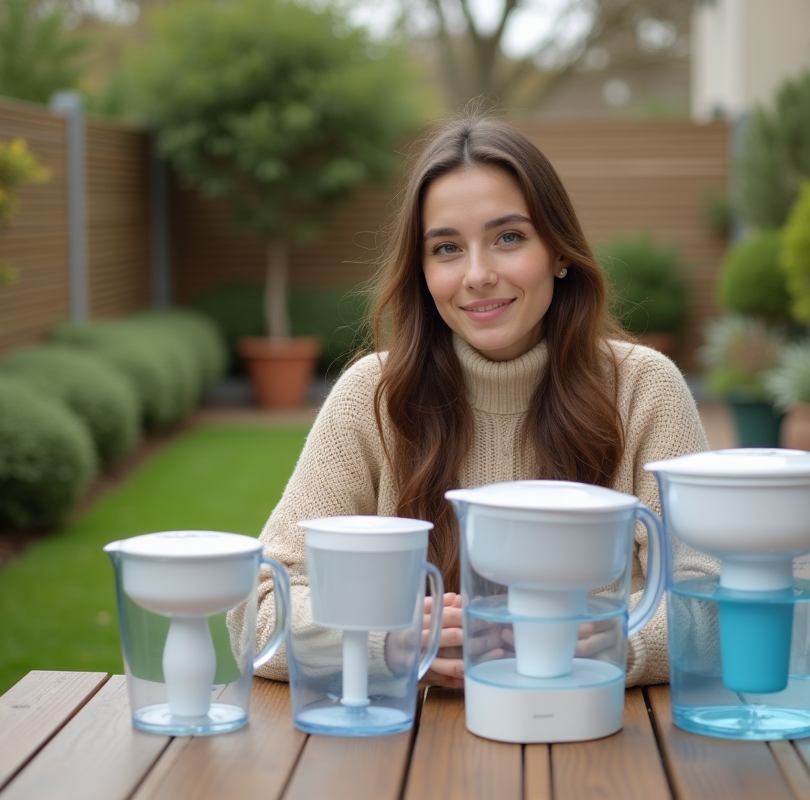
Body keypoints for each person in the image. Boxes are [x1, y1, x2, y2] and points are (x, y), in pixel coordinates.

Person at [233, 116, 717, 688]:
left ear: (559, 252)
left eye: (508, 238)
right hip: (406, 757)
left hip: (607, 748)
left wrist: (612, 642)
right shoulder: (373, 397)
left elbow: (716, 602)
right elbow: (256, 607)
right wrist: (388, 642)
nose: (478, 275)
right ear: (422, 270)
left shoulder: (644, 389)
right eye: (446, 248)